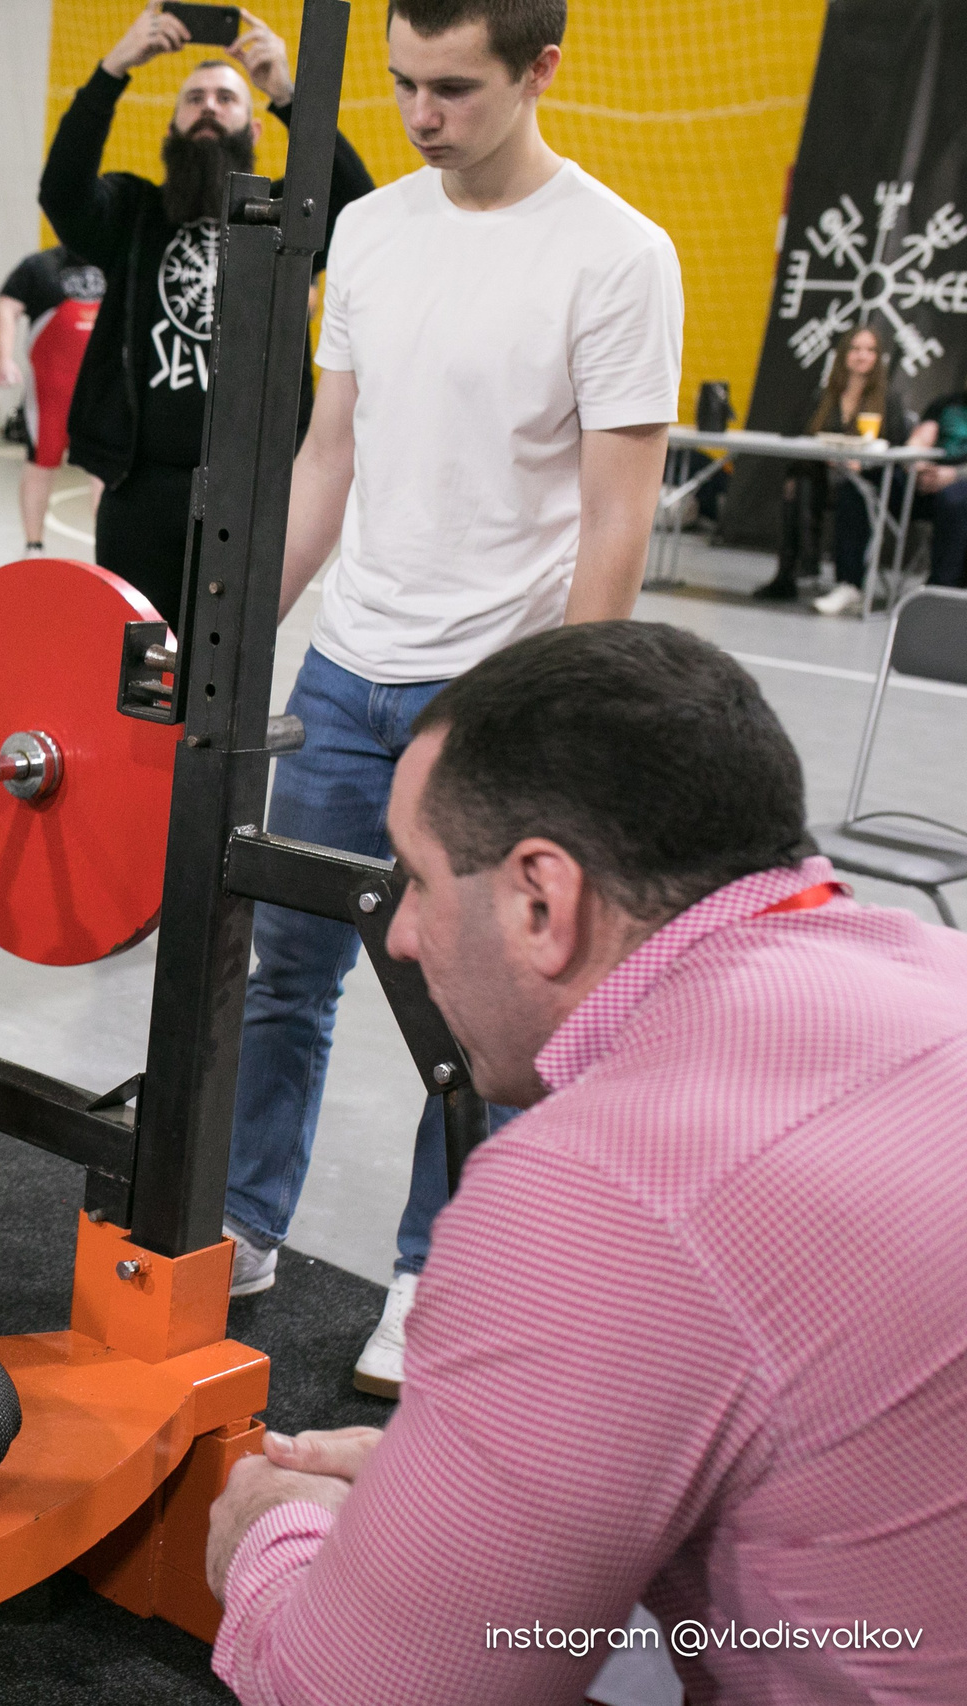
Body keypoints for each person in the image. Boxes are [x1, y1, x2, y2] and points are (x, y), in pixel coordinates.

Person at [205, 621, 967, 1704]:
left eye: (415, 880)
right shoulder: (942, 974)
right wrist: (467, 1508)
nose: (405, 935)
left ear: (540, 901)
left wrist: (271, 1538)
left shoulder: (595, 1188)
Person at [230, 0, 682, 1398]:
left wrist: (556, 727)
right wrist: (244, 630)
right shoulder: (371, 231)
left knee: (478, 1021)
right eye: (405, 84)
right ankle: (240, 1223)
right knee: (283, 976)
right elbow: (329, 455)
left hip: (491, 696)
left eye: (457, 89)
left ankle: (438, 1271)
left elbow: (617, 520)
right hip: (343, 673)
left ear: (543, 68)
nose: (424, 117)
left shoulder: (619, 256)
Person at [40, 7, 373, 626]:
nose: (209, 107)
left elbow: (360, 209)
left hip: (248, 491)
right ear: (172, 124)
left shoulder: (283, 220)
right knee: (137, 677)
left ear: (251, 123)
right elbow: (61, 190)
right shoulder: (133, 212)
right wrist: (114, 70)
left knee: (228, 681)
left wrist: (287, 94)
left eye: (227, 97)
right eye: (194, 98)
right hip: (139, 490)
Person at [758, 325, 901, 614]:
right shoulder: (824, 396)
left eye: (870, 350)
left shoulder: (888, 401)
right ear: (844, 354)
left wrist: (861, 462)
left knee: (847, 493)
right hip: (823, 476)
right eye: (856, 349)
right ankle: (790, 573)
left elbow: (895, 446)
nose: (862, 356)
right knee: (798, 483)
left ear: (878, 358)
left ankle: (835, 579)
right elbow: (802, 437)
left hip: (866, 481)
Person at [0, 245, 107, 553]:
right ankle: (33, 546)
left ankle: (109, 553)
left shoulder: (115, 257)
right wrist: (3, 358)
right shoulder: (38, 266)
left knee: (106, 470)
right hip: (52, 392)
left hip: (103, 390)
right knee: (41, 462)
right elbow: (7, 308)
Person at [906, 382, 967, 589]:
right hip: (927, 481)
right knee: (860, 489)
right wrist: (917, 467)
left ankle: (942, 587)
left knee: (955, 497)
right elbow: (919, 439)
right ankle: (850, 583)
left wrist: (955, 475)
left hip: (959, 489)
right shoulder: (946, 403)